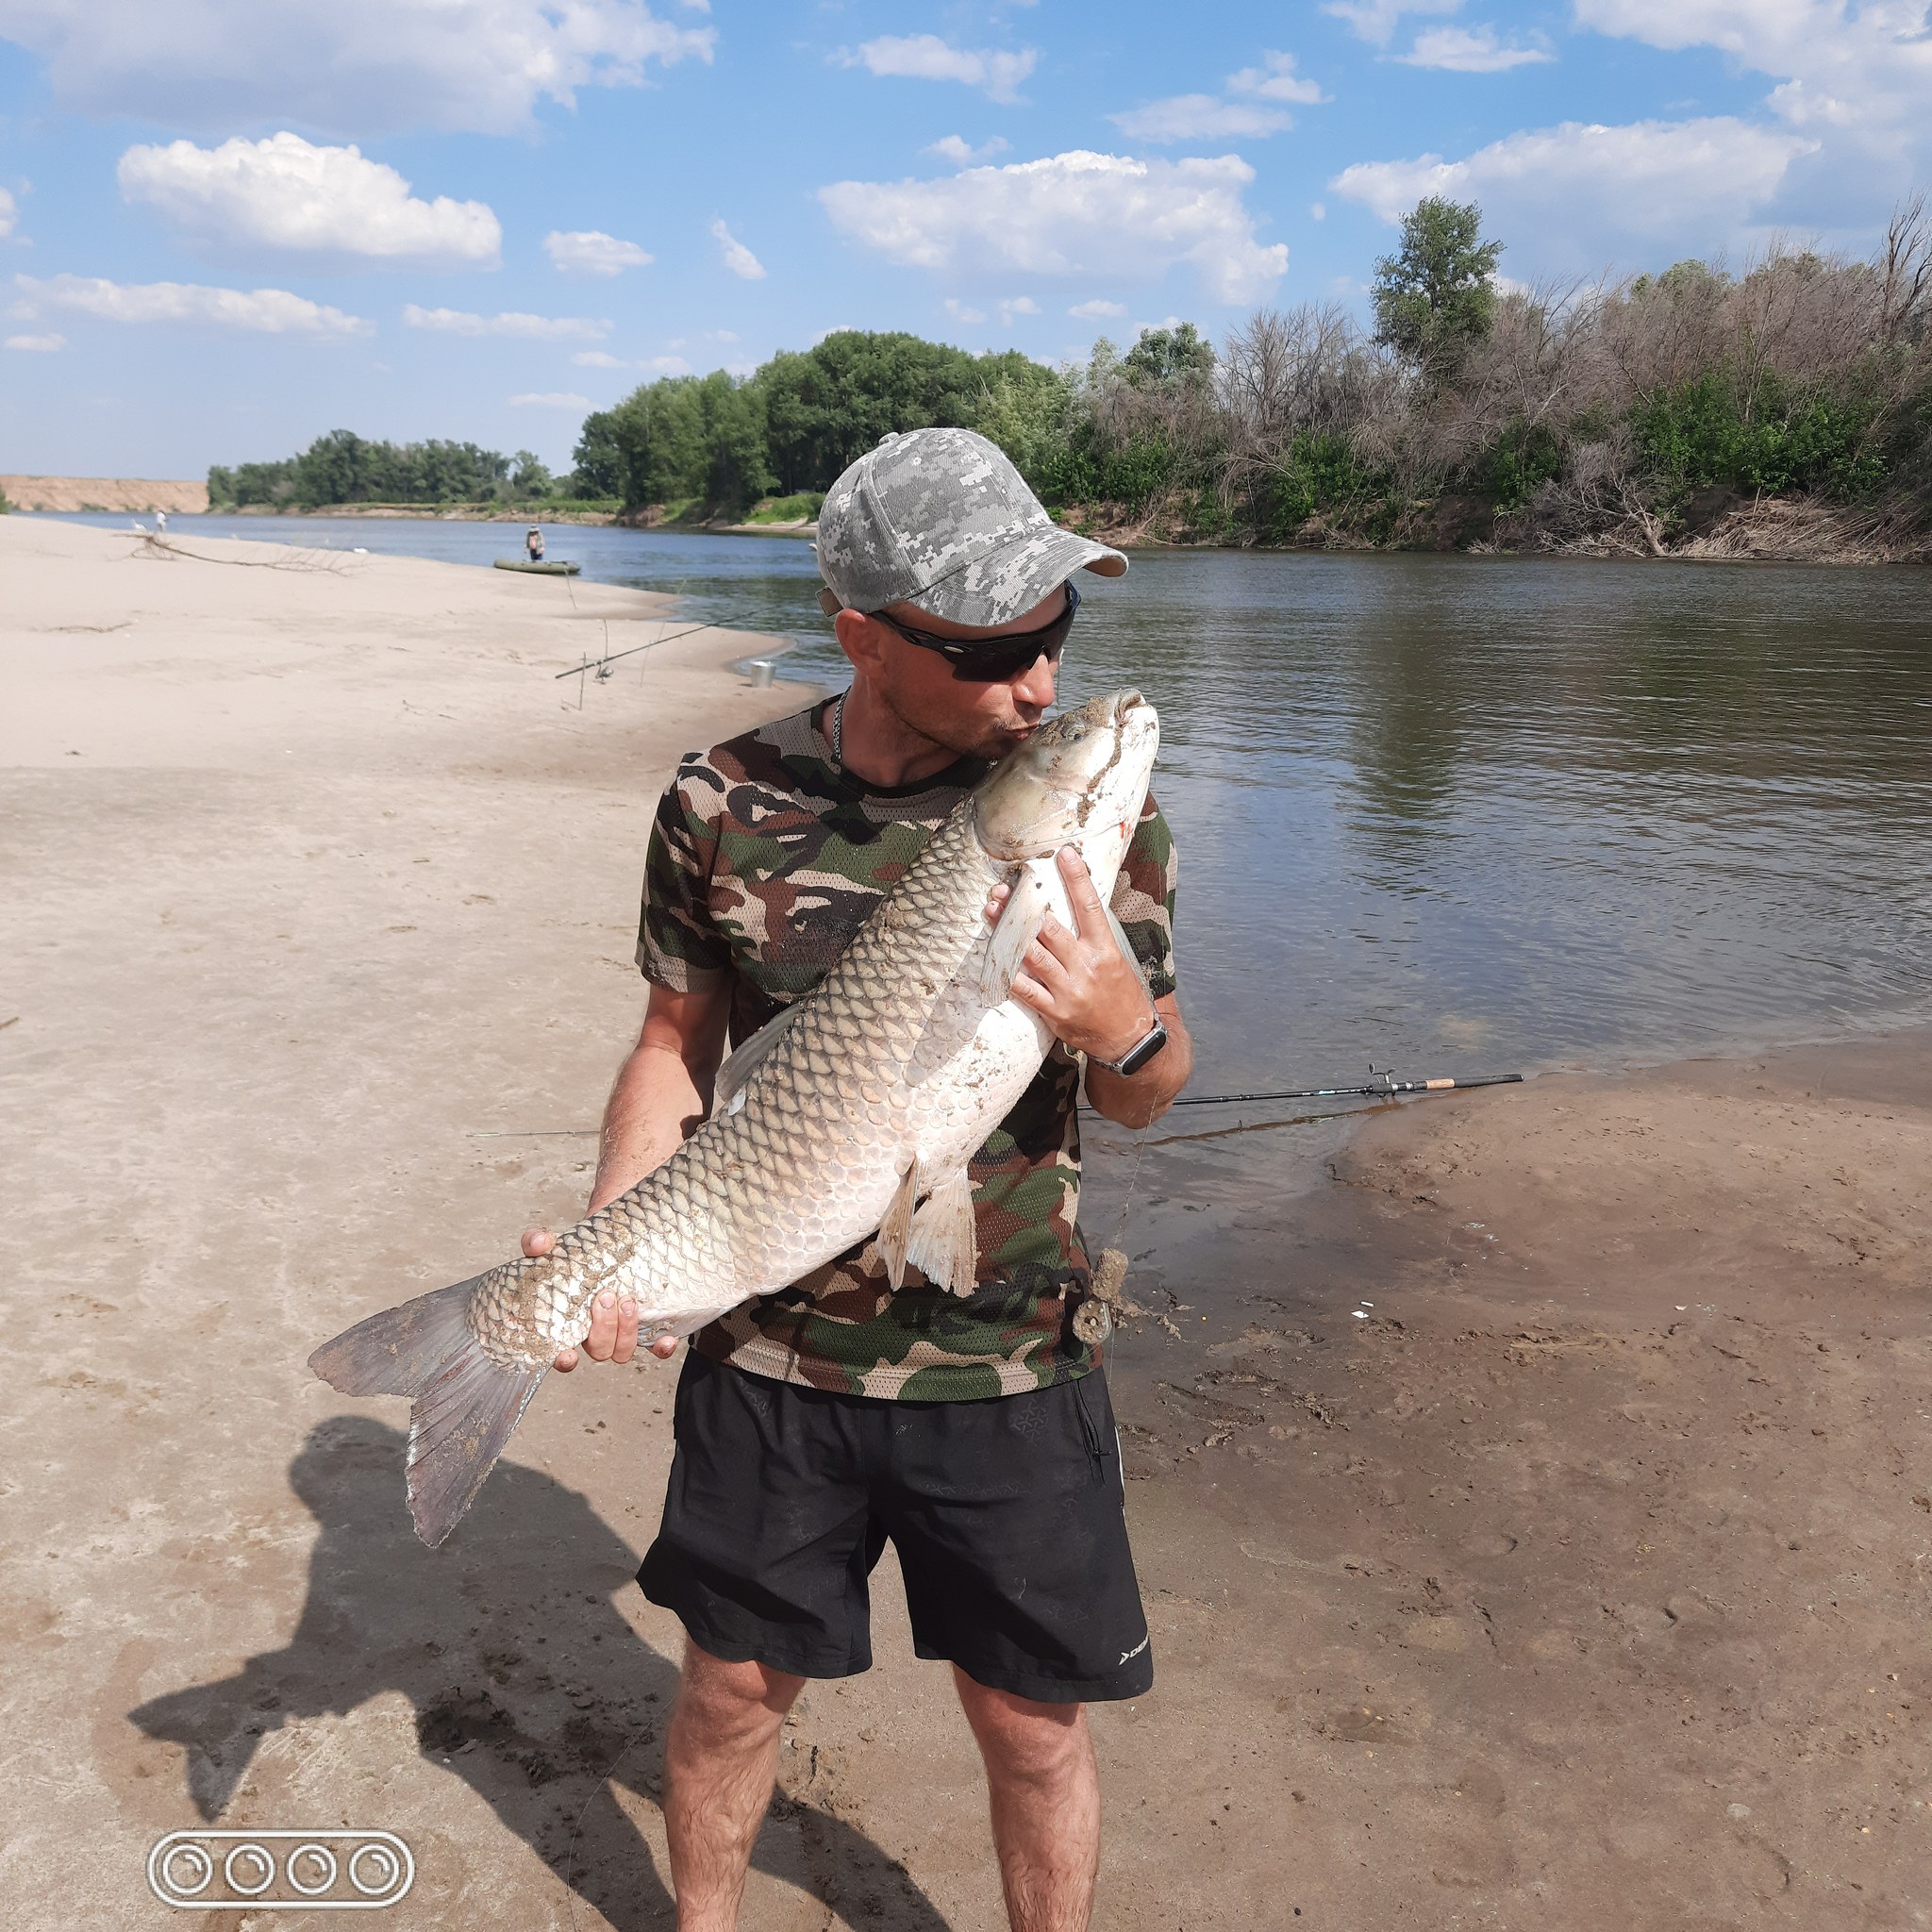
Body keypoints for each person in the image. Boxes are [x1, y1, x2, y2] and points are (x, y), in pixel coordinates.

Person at [525, 426, 1193, 1932]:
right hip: (771, 1350)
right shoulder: (724, 799)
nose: (1039, 683)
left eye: (1056, 632)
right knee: (731, 1694)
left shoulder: (1095, 818)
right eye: (992, 646)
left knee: (1033, 1729)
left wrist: (1121, 1028)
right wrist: (611, 1238)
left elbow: (1150, 1094)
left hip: (1009, 1351)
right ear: (862, 641)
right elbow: (673, 1052)